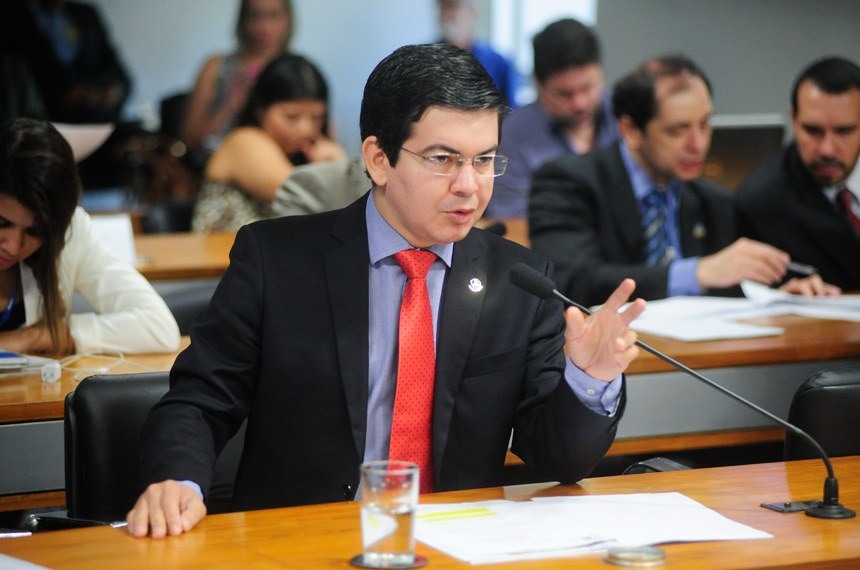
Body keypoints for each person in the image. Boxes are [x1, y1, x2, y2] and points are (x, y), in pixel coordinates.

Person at [126, 43, 646, 538]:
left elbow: (558, 459)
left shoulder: (520, 281)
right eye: (443, 160)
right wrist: (179, 480)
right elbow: (198, 399)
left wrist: (588, 379)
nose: (469, 185)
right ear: (378, 159)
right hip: (300, 542)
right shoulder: (276, 260)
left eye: (484, 159)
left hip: (459, 544)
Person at [529, 55, 837, 308]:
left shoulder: (711, 201)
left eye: (705, 124)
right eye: (678, 130)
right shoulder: (567, 182)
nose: (698, 144)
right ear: (631, 130)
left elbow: (726, 288)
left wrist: (780, 295)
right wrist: (698, 272)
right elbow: (573, 281)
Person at [0, 118, 180, 355]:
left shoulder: (70, 231)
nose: (13, 246)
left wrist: (44, 336)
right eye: (2, 224)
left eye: (36, 231)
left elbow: (159, 329)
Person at [735, 56, 860, 291]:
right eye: (813, 130)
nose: (827, 149)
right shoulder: (762, 201)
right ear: (794, 120)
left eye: (844, 131)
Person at [191, 53, 345, 233]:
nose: (306, 129)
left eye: (317, 118)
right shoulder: (244, 141)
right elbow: (302, 198)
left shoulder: (305, 154)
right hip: (221, 259)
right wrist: (336, 167)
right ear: (260, 109)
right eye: (291, 117)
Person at [487, 18, 619, 218]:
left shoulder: (626, 116)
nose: (579, 103)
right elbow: (513, 221)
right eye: (564, 94)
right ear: (538, 84)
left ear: (601, 73)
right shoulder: (513, 134)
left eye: (587, 88)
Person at [181, 0, 293, 164]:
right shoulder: (217, 67)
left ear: (288, 20)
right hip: (218, 168)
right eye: (255, 15)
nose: (264, 26)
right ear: (243, 20)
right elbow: (189, 140)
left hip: (277, 165)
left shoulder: (297, 73)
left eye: (274, 15)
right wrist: (230, 106)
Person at [0, 0, 130, 125]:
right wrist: (62, 96)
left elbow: (119, 73)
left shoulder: (87, 15)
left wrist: (115, 90)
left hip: (97, 124)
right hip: (39, 127)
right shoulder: (10, 14)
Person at [437, 0, 518, 107]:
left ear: (472, 12)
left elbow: (510, 112)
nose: (447, 14)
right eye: (443, 7)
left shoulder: (498, 63)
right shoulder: (424, 59)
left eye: (454, 7)